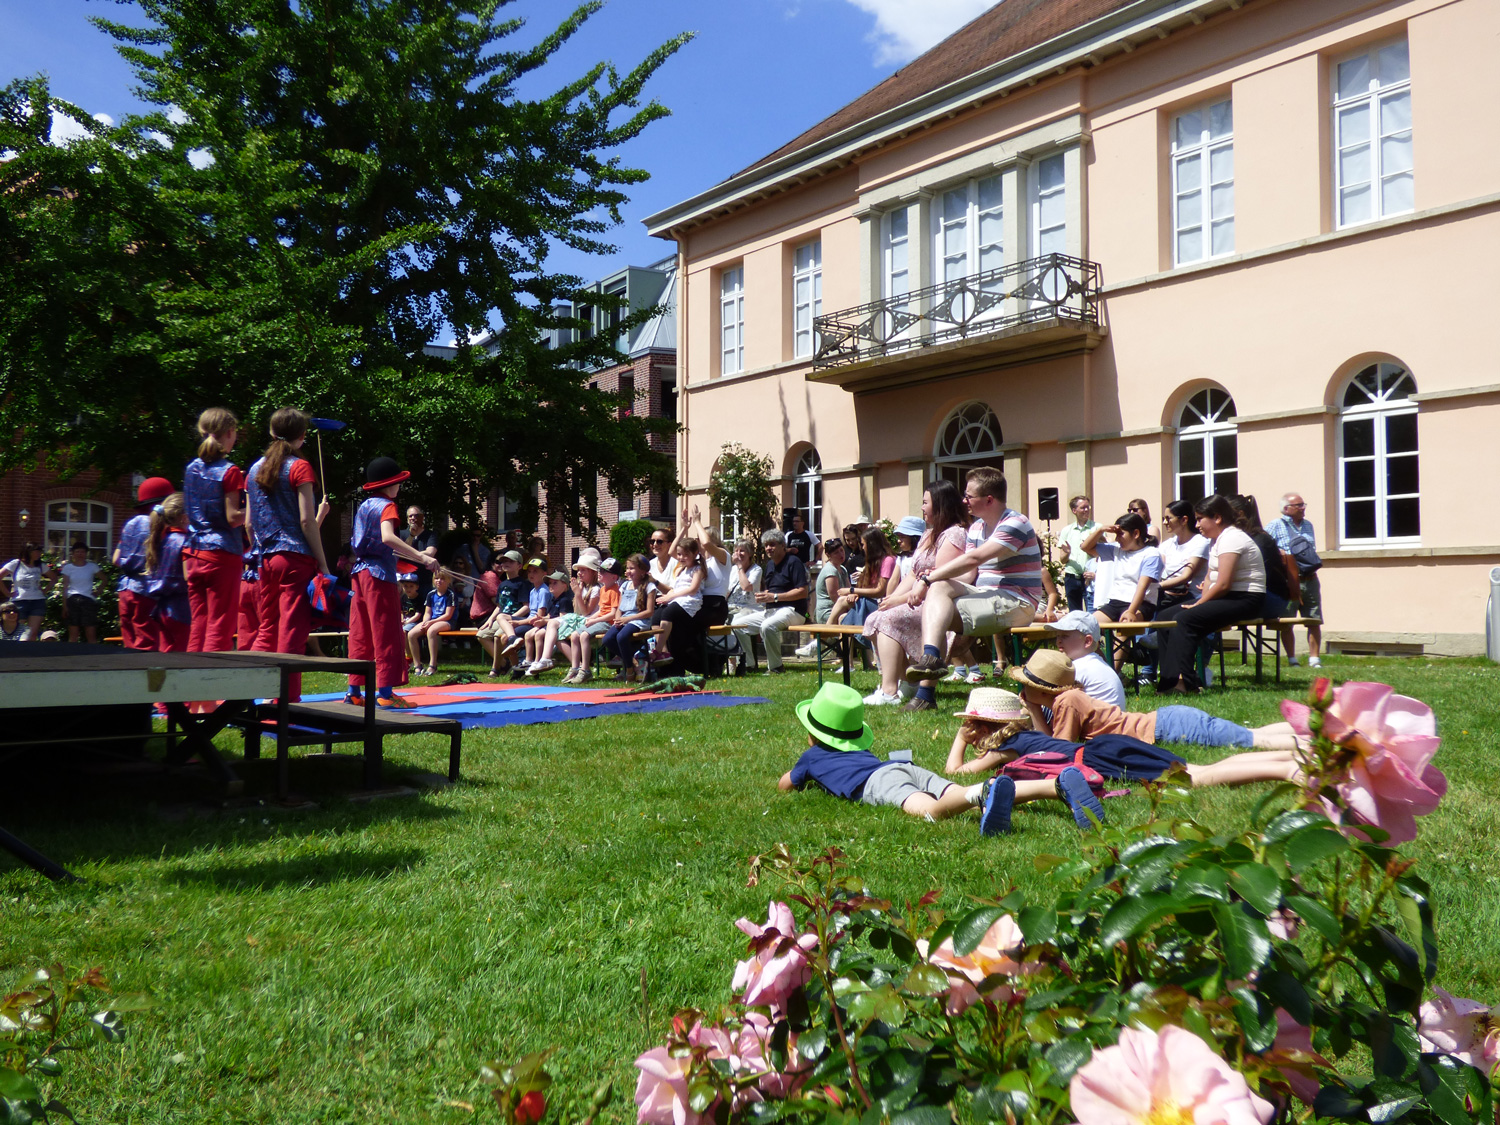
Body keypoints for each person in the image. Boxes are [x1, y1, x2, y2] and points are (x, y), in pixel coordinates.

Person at [777, 683, 1016, 837]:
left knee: (929, 810)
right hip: (899, 767)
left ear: (813, 732)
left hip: (878, 781)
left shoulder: (811, 758)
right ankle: (986, 799)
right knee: (952, 790)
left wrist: (800, 777)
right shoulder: (859, 752)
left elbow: (785, 785)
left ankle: (980, 793)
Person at [903, 467, 1043, 689]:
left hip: (1018, 601)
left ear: (988, 500)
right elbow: (968, 575)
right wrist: (935, 583)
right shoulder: (977, 526)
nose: (964, 500)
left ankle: (923, 694)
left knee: (935, 614)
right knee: (938, 594)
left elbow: (974, 558)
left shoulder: (1016, 523)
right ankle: (930, 658)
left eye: (969, 496)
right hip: (986, 595)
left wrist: (926, 580)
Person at [1009, 649, 1300, 750]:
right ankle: (1308, 729)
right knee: (1247, 734)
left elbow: (1059, 751)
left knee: (1250, 741)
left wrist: (1033, 710)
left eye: (1025, 685)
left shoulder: (1067, 702)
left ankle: (1318, 745)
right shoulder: (1066, 699)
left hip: (1167, 727)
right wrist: (1035, 707)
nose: (1021, 689)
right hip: (1168, 720)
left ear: (1044, 690)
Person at [246, 408, 333, 700]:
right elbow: (307, 521)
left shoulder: (254, 470)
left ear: (271, 433)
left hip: (265, 559)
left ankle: (249, 698)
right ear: (302, 436)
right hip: (294, 559)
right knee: (292, 634)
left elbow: (248, 523)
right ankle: (286, 704)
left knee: (266, 629)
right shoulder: (299, 467)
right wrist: (322, 563)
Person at [345, 456, 444, 709]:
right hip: (379, 577)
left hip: (359, 573)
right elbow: (389, 538)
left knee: (360, 632)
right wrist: (421, 556)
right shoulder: (387, 506)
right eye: (398, 482)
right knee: (386, 631)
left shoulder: (365, 506)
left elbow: (375, 542)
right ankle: (385, 694)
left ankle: (354, 691)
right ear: (390, 484)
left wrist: (407, 558)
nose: (400, 487)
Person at [861, 481, 967, 709]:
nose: (922, 508)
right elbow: (913, 574)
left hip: (938, 604)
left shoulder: (954, 534)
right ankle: (906, 682)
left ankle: (889, 691)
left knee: (888, 619)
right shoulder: (929, 534)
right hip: (917, 597)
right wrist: (892, 599)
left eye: (925, 502)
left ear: (940, 505)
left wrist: (898, 601)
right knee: (876, 616)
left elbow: (940, 578)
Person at [1154, 494, 1265, 695]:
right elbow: (1209, 578)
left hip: (1246, 598)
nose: (1197, 525)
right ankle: (1168, 681)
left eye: (1199, 519)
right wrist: (1201, 601)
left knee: (1185, 619)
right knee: (1164, 617)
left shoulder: (1232, 538)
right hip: (1227, 596)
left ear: (1217, 518)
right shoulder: (1216, 540)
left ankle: (1185, 683)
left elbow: (1223, 584)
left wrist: (1199, 605)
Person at [182, 407, 247, 653]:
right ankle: (209, 689)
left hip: (192, 551)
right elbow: (233, 518)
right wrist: (253, 506)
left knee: (198, 623)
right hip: (221, 553)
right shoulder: (229, 471)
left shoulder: (191, 468)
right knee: (220, 624)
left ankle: (191, 686)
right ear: (230, 432)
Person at [730, 528, 808, 675]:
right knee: (737, 625)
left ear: (782, 546)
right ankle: (749, 665)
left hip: (793, 611)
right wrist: (765, 595)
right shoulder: (770, 565)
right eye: (766, 545)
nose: (768, 548)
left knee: (767, 626)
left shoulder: (794, 562)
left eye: (772, 544)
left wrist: (775, 597)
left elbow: (802, 591)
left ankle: (776, 667)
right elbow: (773, 590)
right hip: (771, 610)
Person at [1267, 493, 1324, 668]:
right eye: (1298, 505)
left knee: (1313, 618)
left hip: (1310, 579)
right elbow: (1266, 549)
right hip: (1289, 581)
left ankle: (1314, 659)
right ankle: (1292, 659)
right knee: (1287, 620)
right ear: (1286, 509)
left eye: (1303, 504)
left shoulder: (1308, 525)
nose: (1303, 508)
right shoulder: (1275, 525)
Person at [530, 550, 603, 677]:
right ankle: (574, 666)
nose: (579, 573)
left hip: (590, 620)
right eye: (578, 570)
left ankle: (547, 659)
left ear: (593, 572)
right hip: (581, 619)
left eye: (583, 570)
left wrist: (578, 594)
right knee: (556, 634)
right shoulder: (582, 587)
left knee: (553, 624)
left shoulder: (595, 589)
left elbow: (586, 612)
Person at [1231, 495, 1298, 621]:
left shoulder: (1260, 540)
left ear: (1240, 513)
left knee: (1210, 610)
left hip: (1271, 597)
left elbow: (1257, 577)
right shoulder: (1232, 539)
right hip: (1249, 595)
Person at [559, 555, 622, 684]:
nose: (600, 573)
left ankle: (585, 670)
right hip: (600, 620)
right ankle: (575, 668)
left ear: (614, 577)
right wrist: (591, 618)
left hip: (607, 623)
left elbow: (613, 614)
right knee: (575, 635)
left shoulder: (615, 591)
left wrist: (594, 621)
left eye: (604, 571)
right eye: (600, 570)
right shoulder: (604, 589)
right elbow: (601, 609)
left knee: (583, 636)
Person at [1042, 611, 1124, 708]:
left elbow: (1058, 706)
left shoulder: (1079, 668)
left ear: (1087, 641)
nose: (1058, 641)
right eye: (1058, 636)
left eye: (1065, 636)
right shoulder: (1094, 662)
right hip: (1111, 720)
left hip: (1100, 722)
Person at [144, 493, 192, 652]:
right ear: (184, 517)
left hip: (163, 609)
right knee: (184, 659)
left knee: (167, 659)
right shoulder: (186, 541)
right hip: (182, 609)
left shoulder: (161, 540)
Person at [601, 553, 657, 679]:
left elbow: (649, 611)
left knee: (621, 637)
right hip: (625, 619)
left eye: (632, 568)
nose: (628, 571)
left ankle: (630, 670)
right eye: (627, 568)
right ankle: (635, 661)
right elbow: (620, 607)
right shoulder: (625, 585)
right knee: (607, 639)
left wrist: (627, 619)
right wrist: (618, 618)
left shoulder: (649, 587)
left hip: (639, 620)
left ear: (642, 571)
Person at [653, 538, 704, 675]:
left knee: (667, 614)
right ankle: (663, 651)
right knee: (656, 616)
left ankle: (657, 650)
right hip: (677, 599)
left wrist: (671, 596)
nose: (681, 557)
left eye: (685, 555)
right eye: (680, 554)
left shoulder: (697, 569)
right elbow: (671, 551)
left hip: (689, 601)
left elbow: (692, 589)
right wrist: (683, 529)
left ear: (695, 554)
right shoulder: (681, 569)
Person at [830, 526, 896, 630]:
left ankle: (825, 634)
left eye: (863, 544)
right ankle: (836, 642)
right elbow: (866, 585)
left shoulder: (888, 561)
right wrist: (855, 594)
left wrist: (852, 590)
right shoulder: (872, 561)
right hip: (871, 601)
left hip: (883, 604)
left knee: (842, 600)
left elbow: (880, 591)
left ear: (871, 545)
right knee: (842, 618)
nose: (863, 547)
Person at [476, 549, 528, 674]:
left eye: (510, 561)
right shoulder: (502, 584)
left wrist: (512, 619)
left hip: (515, 619)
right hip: (501, 618)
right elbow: (499, 606)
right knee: (481, 634)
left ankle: (495, 669)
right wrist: (490, 620)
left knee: (497, 637)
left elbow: (527, 606)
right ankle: (503, 663)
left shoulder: (523, 584)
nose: (505, 563)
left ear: (519, 566)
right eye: (504, 561)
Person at [500, 558, 555, 671]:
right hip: (529, 620)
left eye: (535, 571)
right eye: (529, 571)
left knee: (504, 638)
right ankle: (513, 640)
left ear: (544, 574)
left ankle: (520, 666)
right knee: (501, 616)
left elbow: (538, 617)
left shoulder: (543, 591)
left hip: (535, 623)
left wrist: (519, 622)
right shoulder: (532, 591)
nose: (531, 574)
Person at [1157, 500, 1210, 611]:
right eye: (1163, 519)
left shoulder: (1201, 543)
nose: (1164, 523)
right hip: (1167, 596)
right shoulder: (1167, 544)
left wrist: (1157, 586)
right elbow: (1158, 569)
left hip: (1191, 596)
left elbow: (1186, 576)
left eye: (1168, 518)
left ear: (1184, 520)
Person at [406, 569, 456, 677]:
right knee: (411, 634)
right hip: (432, 620)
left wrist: (431, 622)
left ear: (448, 581)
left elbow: (448, 615)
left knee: (431, 631)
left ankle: (433, 664)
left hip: (446, 621)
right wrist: (425, 622)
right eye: (437, 578)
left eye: (442, 579)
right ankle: (417, 665)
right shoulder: (430, 594)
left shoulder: (450, 594)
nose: (439, 581)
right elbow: (427, 612)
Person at [1, 544, 53, 644]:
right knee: (18, 633)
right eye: (36, 551)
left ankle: (29, 657)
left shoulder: (40, 565)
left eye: (39, 552)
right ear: (28, 552)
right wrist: (7, 593)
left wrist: (45, 590)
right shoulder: (16, 563)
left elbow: (54, 578)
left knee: (31, 634)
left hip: (37, 602)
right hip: (19, 602)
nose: (38, 554)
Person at [1057, 495, 1098, 612]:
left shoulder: (1096, 528)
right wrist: (1067, 553)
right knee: (1074, 613)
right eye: (1083, 508)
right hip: (1072, 577)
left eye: (1087, 507)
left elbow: (1103, 554)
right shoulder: (1067, 530)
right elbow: (1063, 560)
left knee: (1093, 612)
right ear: (1074, 511)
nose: (1086, 510)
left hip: (1090, 577)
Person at [58, 541, 101, 644]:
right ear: (73, 553)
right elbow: (65, 587)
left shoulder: (92, 566)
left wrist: (99, 590)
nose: (80, 554)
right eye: (77, 552)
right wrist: (64, 606)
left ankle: (94, 655)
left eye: (82, 552)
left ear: (86, 554)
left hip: (88, 600)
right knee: (73, 633)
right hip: (73, 600)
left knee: (90, 632)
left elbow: (104, 579)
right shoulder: (68, 568)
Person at [401, 506, 441, 601]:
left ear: (422, 518)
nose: (413, 518)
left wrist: (409, 555)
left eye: (416, 515)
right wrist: (411, 535)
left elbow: (430, 553)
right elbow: (401, 553)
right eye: (410, 516)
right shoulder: (401, 534)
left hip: (424, 581)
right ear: (407, 519)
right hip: (405, 583)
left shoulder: (430, 535)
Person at [727, 539, 761, 618]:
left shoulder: (756, 569)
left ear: (750, 553)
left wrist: (739, 566)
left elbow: (746, 587)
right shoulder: (732, 569)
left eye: (742, 551)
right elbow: (727, 591)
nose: (738, 554)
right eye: (736, 551)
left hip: (748, 609)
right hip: (731, 607)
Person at [892, 516, 924, 580]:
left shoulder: (922, 558)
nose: (899, 541)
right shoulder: (901, 557)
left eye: (902, 537)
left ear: (914, 538)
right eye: (898, 537)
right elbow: (894, 580)